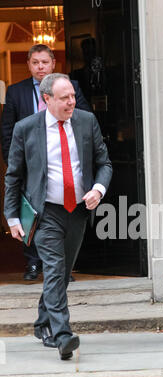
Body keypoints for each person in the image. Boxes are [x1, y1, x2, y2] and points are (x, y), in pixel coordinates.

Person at [4, 73, 112, 359]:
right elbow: (13, 176)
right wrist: (12, 218)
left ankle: (42, 323)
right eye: (65, 98)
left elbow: (104, 162)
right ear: (47, 99)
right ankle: (62, 335)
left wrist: (98, 190)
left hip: (77, 210)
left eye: (73, 96)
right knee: (53, 269)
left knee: (62, 273)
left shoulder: (87, 122)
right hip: (45, 212)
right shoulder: (25, 128)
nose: (71, 102)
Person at [1, 44, 91, 281]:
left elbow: (84, 123)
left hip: (64, 163)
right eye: (35, 62)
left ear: (53, 63)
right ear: (29, 65)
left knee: (61, 215)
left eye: (44, 62)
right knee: (31, 213)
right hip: (29, 166)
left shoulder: (71, 89)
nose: (40, 67)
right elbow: (7, 132)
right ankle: (33, 262)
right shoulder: (15, 92)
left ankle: (62, 266)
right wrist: (14, 164)